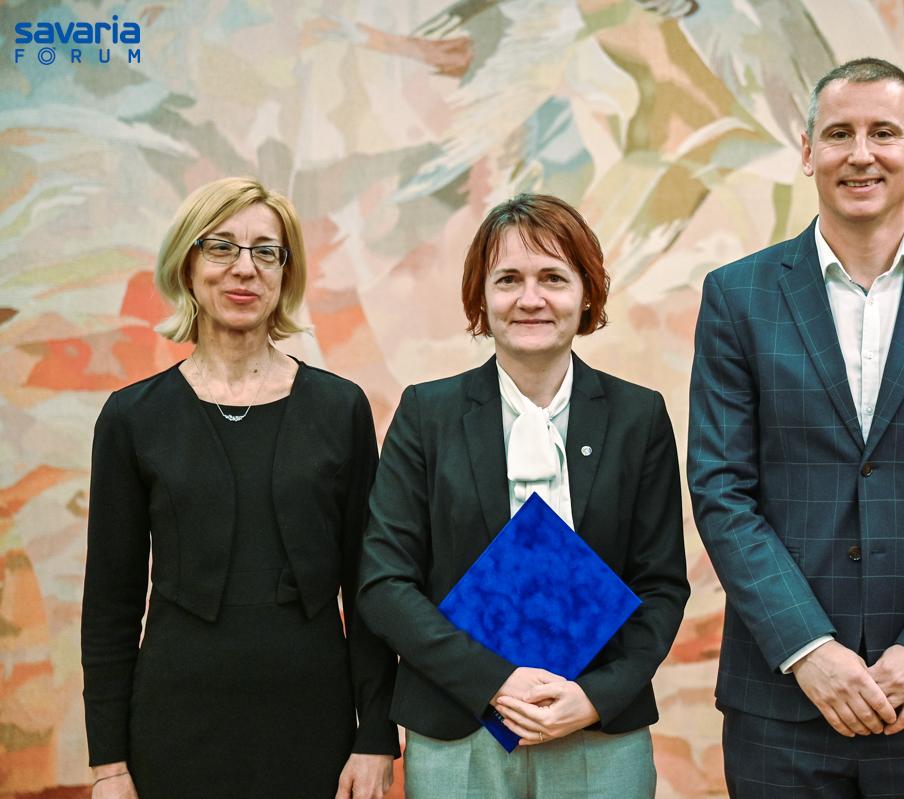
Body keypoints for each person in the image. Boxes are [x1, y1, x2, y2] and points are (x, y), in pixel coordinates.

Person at [687, 57, 904, 797]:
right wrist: (807, 648)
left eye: (883, 132)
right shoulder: (737, 296)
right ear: (808, 150)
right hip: (782, 701)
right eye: (839, 133)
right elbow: (721, 490)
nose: (861, 154)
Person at [357, 193, 689, 798]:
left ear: (586, 294)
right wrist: (494, 681)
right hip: (458, 727)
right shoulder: (427, 414)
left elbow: (661, 584)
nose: (530, 298)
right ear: (481, 297)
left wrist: (596, 696)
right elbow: (385, 584)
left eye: (553, 278)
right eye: (508, 279)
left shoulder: (638, 417)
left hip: (597, 731)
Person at [81, 177, 399, 799]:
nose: (244, 268)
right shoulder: (132, 418)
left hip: (314, 721)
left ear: (285, 272)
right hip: (175, 723)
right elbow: (111, 602)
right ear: (188, 263)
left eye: (265, 251)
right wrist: (109, 765)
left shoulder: (341, 409)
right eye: (221, 247)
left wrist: (377, 735)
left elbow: (368, 586)